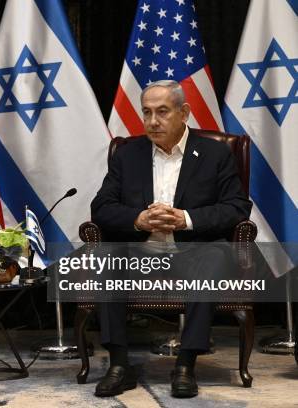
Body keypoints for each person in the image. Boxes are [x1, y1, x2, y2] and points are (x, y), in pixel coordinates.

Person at [90, 80, 252, 398]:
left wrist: (185, 219)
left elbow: (236, 207)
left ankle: (186, 364)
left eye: (162, 112)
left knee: (215, 257)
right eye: (147, 112)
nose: (153, 121)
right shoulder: (127, 154)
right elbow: (101, 208)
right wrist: (139, 219)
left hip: (194, 249)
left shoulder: (215, 153)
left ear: (184, 112)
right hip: (142, 250)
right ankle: (119, 365)